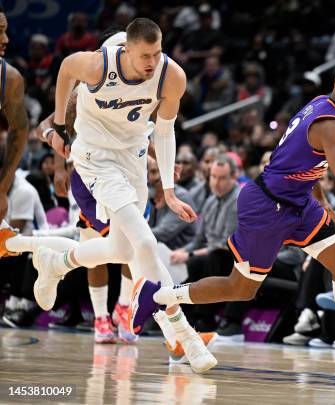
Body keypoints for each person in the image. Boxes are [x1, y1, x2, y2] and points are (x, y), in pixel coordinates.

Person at [131, 59, 335, 379]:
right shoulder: (332, 127)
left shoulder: (319, 105)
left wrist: (321, 200)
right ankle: (159, 296)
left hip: (299, 202)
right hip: (267, 206)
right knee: (241, 289)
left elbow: (298, 157)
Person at [4, 19, 216, 372]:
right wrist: (57, 126)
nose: (152, 62)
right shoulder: (96, 65)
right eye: (144, 55)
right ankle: (184, 336)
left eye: (157, 53)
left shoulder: (170, 76)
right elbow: (65, 69)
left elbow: (164, 133)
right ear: (125, 50)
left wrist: (169, 190)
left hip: (131, 158)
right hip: (94, 159)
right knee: (145, 245)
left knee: (121, 250)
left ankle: (55, 261)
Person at [0, 6, 29, 224]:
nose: (6, 39)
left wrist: (3, 186)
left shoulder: (9, 79)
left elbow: (20, 129)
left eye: (5, 30)